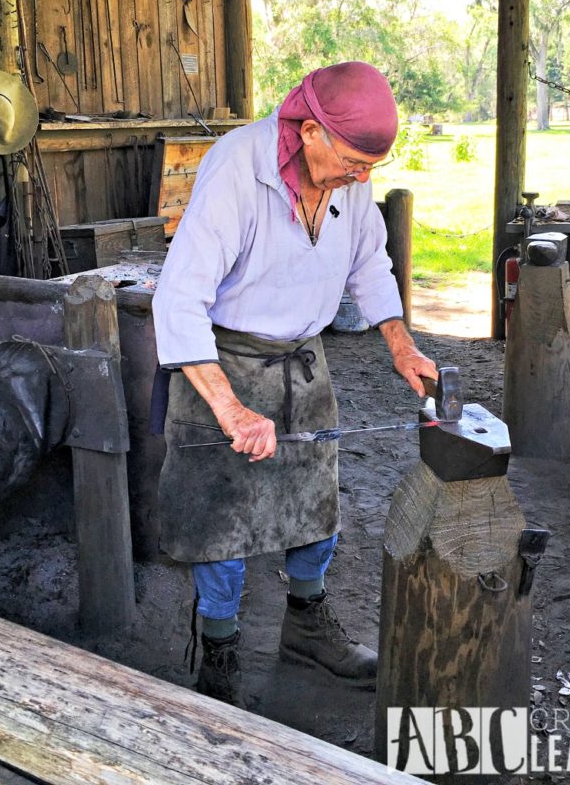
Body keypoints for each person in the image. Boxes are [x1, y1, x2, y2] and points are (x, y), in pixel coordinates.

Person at [152, 60, 437, 708]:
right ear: (310, 131)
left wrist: (400, 344)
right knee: (220, 524)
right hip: (223, 361)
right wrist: (229, 410)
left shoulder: (351, 179)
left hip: (301, 364)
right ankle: (218, 646)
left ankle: (307, 627)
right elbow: (179, 300)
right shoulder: (236, 169)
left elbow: (369, 259)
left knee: (316, 506)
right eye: (355, 164)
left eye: (371, 169)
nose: (361, 180)